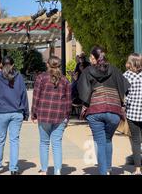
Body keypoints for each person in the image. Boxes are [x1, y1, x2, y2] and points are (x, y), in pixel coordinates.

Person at [78, 46, 130, 175]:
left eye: (91, 57)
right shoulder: (115, 70)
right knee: (107, 140)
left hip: (95, 112)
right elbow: (126, 87)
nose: (89, 60)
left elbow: (81, 92)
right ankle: (108, 169)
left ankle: (103, 172)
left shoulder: (87, 71)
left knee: (100, 142)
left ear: (96, 58)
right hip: (114, 112)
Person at [31, 56, 72, 175]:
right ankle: (57, 170)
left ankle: (44, 170)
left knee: (44, 143)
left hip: (44, 114)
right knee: (57, 144)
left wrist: (34, 113)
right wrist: (67, 116)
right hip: (60, 115)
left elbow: (36, 97)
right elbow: (69, 101)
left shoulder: (41, 78)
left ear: (47, 65)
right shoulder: (65, 80)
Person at [0, 56, 29, 175]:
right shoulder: (19, 77)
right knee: (14, 140)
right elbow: (24, 95)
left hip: (2, 112)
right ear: (12, 65)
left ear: (1, 65)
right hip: (17, 112)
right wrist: (26, 112)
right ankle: (13, 169)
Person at [123, 53, 142, 175]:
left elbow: (123, 96)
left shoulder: (126, 76)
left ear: (129, 63)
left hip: (132, 113)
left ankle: (138, 169)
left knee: (136, 141)